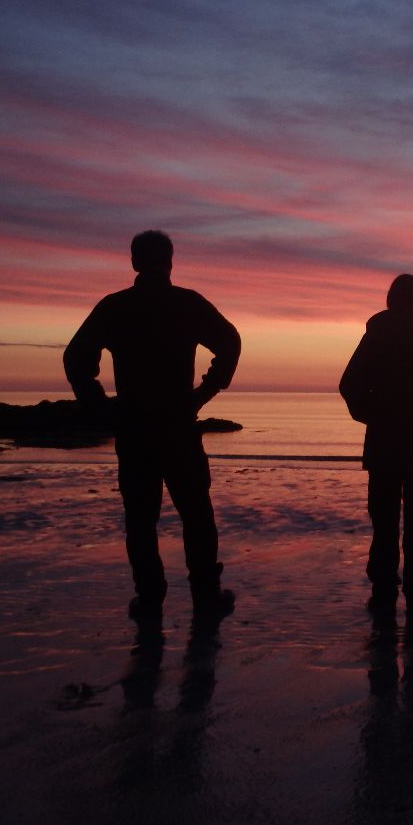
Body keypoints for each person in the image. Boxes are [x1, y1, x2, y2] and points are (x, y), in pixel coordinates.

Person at [64, 230, 241, 617]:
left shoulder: (115, 307)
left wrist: (101, 407)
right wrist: (203, 394)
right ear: (171, 261)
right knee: (195, 511)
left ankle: (149, 598)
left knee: (142, 518)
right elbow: (230, 342)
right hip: (176, 423)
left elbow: (75, 359)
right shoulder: (185, 304)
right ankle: (205, 595)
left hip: (135, 426)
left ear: (134, 262)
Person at [339, 274, 413, 617]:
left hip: (387, 445)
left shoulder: (379, 336)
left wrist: (372, 415)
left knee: (386, 522)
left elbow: (349, 385)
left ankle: (385, 591)